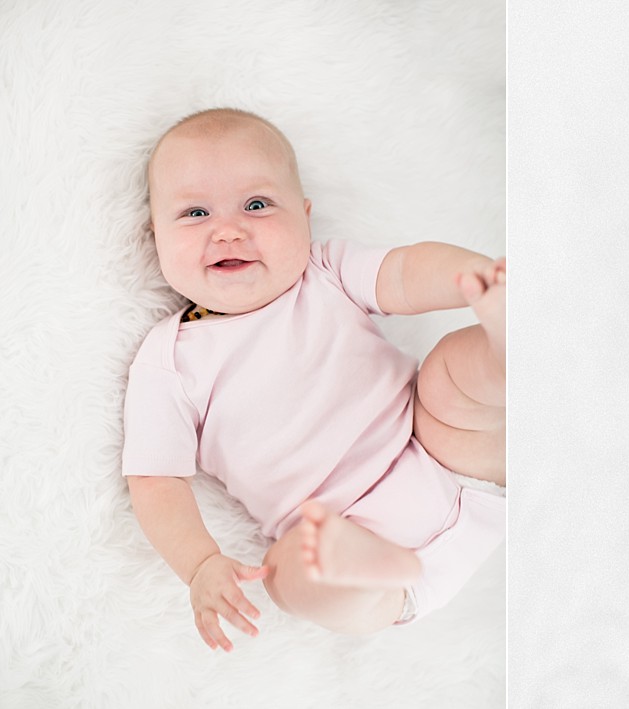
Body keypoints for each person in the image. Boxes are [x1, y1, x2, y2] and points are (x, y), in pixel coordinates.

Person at [123, 108, 506, 648]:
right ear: (154, 237)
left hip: (442, 453)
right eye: (194, 213)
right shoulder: (168, 361)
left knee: (448, 374)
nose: (227, 229)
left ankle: (508, 343)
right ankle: (370, 568)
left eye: (257, 205)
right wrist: (201, 562)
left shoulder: (322, 273)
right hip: (336, 535)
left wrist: (473, 278)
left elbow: (402, 273)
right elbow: (155, 481)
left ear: (305, 217)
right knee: (285, 574)